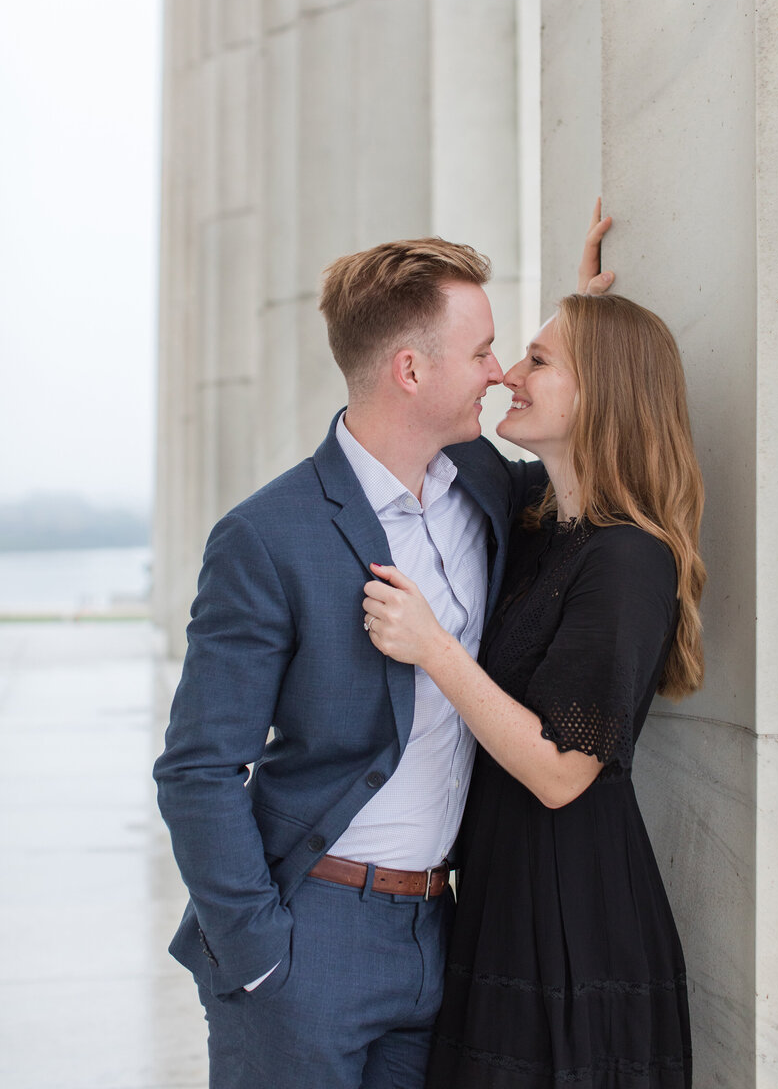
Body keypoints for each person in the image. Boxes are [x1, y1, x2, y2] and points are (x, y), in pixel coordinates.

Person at [153, 208, 614, 1089]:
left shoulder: (481, 483)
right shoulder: (266, 537)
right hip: (309, 932)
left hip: (439, 929)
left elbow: (577, 456)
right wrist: (260, 954)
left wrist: (586, 330)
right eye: (481, 352)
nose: (497, 371)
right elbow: (198, 769)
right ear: (410, 369)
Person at [362, 291, 705, 1088]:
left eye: (537, 361)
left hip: (572, 923)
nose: (508, 374)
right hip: (504, 900)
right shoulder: (538, 522)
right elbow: (456, 435)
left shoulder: (627, 562)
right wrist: (580, 299)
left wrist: (433, 649)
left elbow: (560, 772)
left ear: (604, 393)